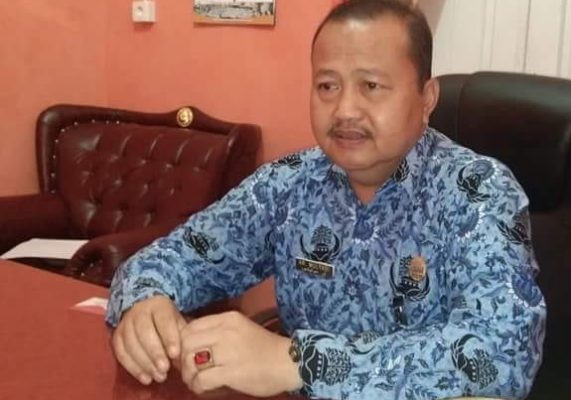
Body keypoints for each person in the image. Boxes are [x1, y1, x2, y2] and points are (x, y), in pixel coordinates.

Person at [106, 1, 547, 399]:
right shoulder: (288, 184)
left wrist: (298, 362)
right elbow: (173, 257)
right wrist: (146, 302)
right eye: (327, 87)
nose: (345, 110)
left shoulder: (477, 191)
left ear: (426, 98)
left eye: (371, 85)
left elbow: (502, 352)